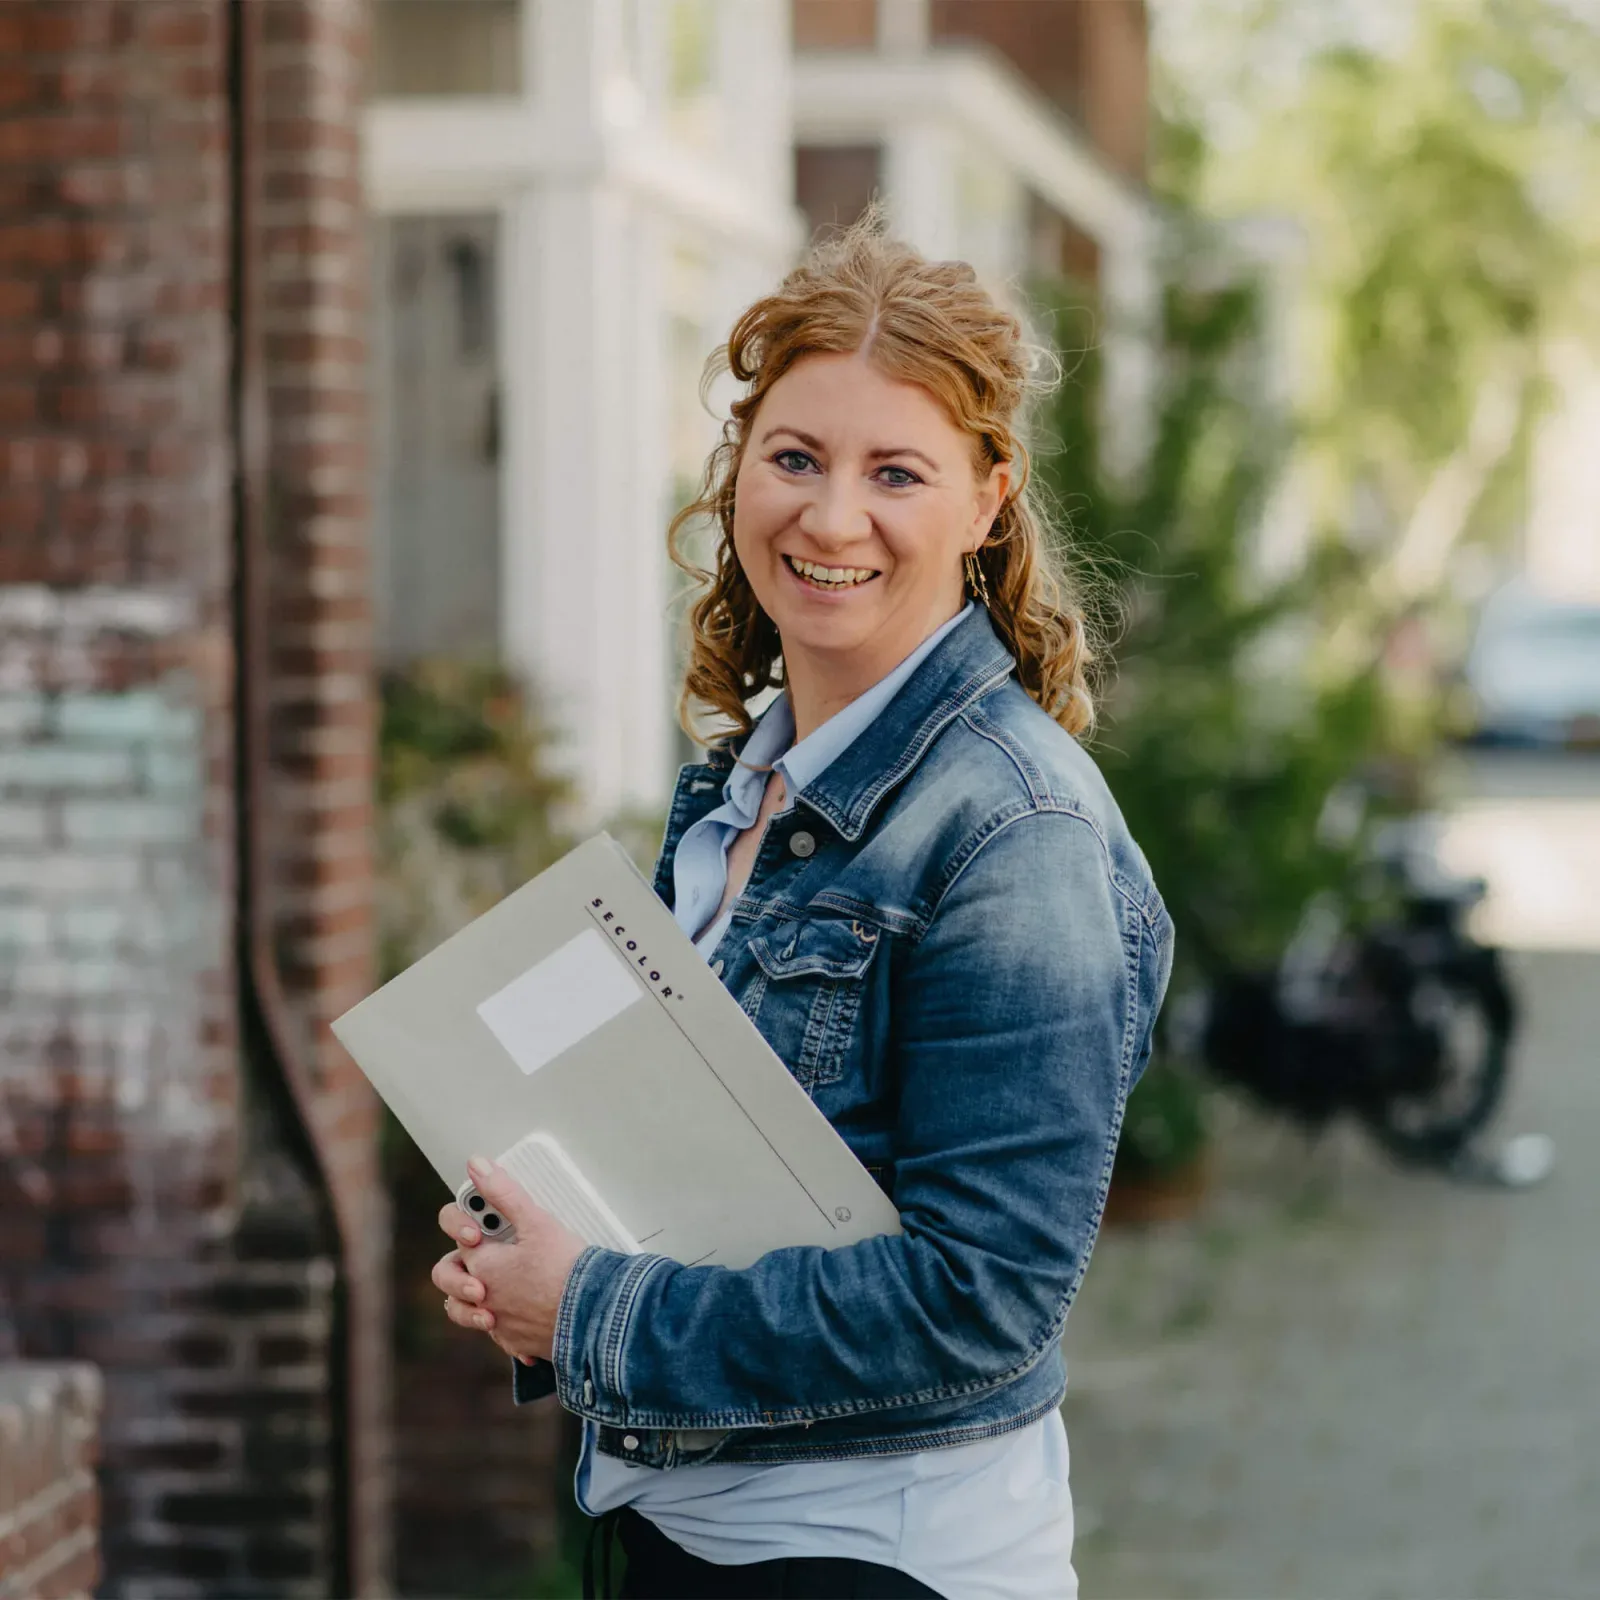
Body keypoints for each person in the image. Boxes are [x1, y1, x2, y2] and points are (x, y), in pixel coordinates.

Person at [430, 218, 1173, 1600]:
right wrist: (536, 1256)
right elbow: (710, 1171)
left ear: (989, 500)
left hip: (873, 1559)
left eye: (896, 472)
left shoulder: (1018, 832)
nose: (832, 520)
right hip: (691, 1538)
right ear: (739, 474)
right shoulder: (742, 791)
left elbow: (982, 1300)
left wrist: (592, 1307)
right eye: (795, 458)